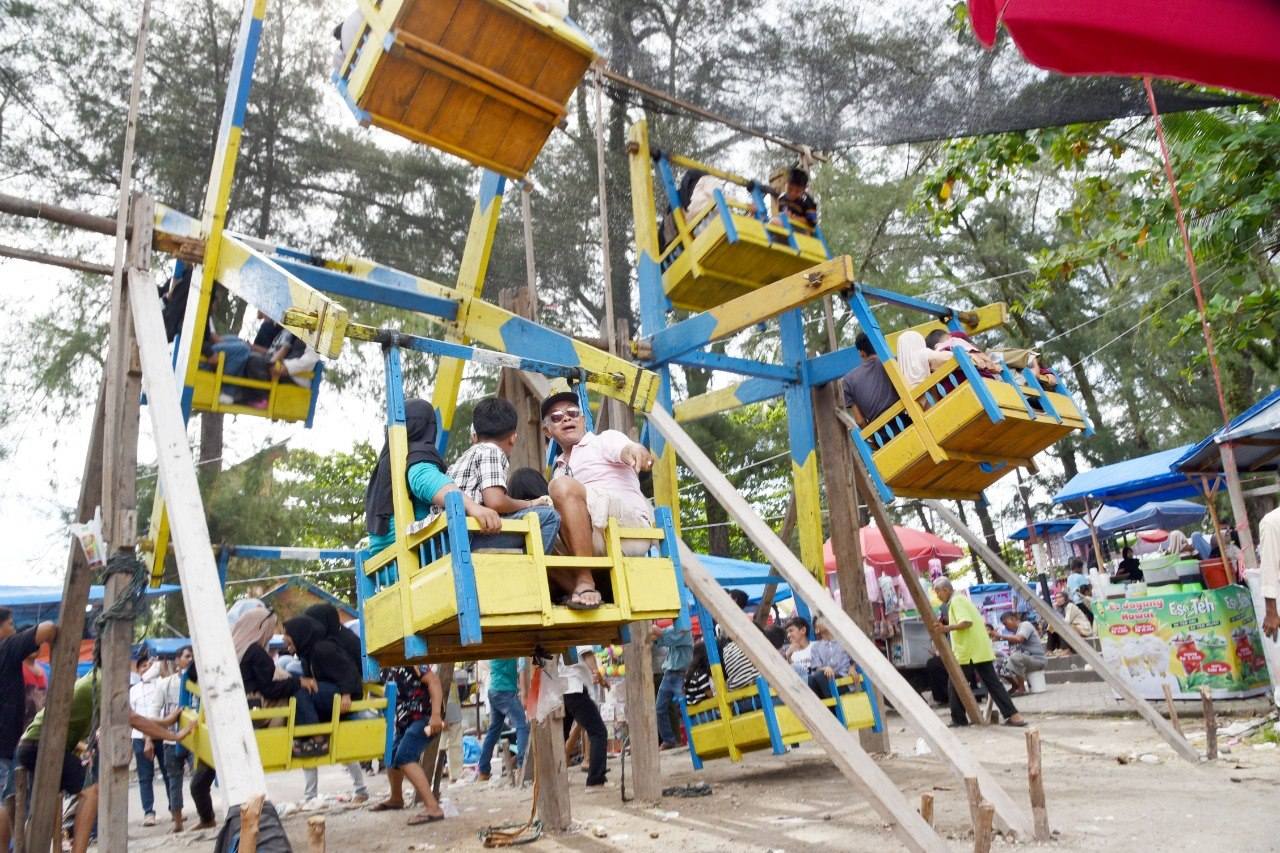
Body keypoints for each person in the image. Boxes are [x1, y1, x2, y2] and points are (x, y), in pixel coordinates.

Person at [18, 668, 190, 853]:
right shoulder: (103, 682)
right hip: (43, 746)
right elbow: (133, 718)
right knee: (91, 792)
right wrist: (174, 736)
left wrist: (166, 722)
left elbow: (131, 716)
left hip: (35, 744)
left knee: (45, 805)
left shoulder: (96, 679)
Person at [542, 390, 656, 609]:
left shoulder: (603, 440)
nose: (567, 418)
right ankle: (583, 591)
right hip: (590, 535)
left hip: (626, 528)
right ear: (548, 431)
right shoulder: (559, 469)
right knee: (537, 532)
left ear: (583, 419)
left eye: (573, 413)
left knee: (562, 487)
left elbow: (626, 449)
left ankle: (584, 581)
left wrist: (636, 450)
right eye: (557, 417)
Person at [365, 398, 502, 557]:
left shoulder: (387, 464)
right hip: (414, 554)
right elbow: (424, 479)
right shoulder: (416, 453)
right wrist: (473, 507)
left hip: (385, 560)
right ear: (428, 427)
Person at [446, 397, 561, 553]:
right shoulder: (492, 451)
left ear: (476, 433)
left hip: (450, 537)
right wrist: (531, 503)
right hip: (470, 538)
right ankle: (533, 572)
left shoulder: (461, 459)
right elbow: (495, 502)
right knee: (549, 517)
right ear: (513, 438)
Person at [932, 578, 1027, 727]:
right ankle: (1014, 716)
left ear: (946, 589)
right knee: (992, 683)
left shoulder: (957, 601)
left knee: (955, 683)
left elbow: (966, 622)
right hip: (976, 650)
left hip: (969, 652)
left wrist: (945, 629)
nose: (937, 595)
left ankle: (959, 719)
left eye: (938, 591)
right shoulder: (959, 600)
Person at [300, 605, 370, 806]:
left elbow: (350, 671)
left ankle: (360, 788)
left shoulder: (342, 641)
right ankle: (310, 797)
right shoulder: (312, 644)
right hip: (323, 698)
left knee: (342, 744)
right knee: (311, 743)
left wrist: (346, 693)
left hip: (344, 698)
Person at [0, 609, 55, 850]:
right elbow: (48, 629)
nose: (12, 628)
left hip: (16, 741)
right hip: (6, 742)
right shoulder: (7, 647)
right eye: (10, 624)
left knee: (12, 799)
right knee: (3, 801)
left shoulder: (41, 670)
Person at [370, 665, 446, 824]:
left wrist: (436, 715)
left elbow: (434, 682)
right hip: (404, 722)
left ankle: (433, 808)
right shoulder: (385, 667)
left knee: (405, 756)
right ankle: (396, 798)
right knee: (391, 754)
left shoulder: (413, 662)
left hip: (424, 718)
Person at [282, 616, 362, 726]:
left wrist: (346, 694)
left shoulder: (322, 648)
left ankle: (316, 737)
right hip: (328, 689)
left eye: (287, 634)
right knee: (291, 679)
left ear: (298, 634)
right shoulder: (306, 653)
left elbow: (348, 670)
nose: (283, 638)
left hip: (345, 693)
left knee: (301, 690)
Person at [559, 646, 608, 787]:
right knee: (598, 732)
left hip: (563, 688)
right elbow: (586, 652)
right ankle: (596, 779)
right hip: (575, 688)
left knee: (560, 736)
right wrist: (596, 672)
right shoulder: (579, 629)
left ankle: (554, 778)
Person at [129, 651, 169, 826]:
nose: (146, 668)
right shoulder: (134, 691)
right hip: (139, 736)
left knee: (168, 772)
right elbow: (133, 715)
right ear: (138, 671)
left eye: (149, 665)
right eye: (143, 666)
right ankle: (148, 812)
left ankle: (174, 807)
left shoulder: (161, 685)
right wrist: (145, 738)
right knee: (145, 776)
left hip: (160, 733)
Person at [476, 658, 528, 783]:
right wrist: (525, 693)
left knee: (494, 730)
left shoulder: (496, 647)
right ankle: (523, 766)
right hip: (505, 691)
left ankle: (483, 770)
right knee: (522, 724)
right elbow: (522, 668)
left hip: (494, 690)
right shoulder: (511, 645)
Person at [840, 332, 899, 428]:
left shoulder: (848, 381)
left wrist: (874, 440)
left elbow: (859, 421)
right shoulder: (891, 362)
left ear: (861, 353)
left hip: (882, 435)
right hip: (907, 421)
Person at [651, 622, 693, 749]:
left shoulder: (685, 630)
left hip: (681, 674)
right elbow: (661, 638)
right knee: (660, 708)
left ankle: (691, 737)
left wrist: (655, 632)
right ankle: (669, 740)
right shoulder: (674, 628)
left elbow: (665, 637)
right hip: (668, 674)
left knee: (687, 707)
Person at [994, 611, 1047, 695]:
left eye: (1006, 623)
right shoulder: (1016, 631)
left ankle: (1021, 689)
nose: (1005, 627)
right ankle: (1015, 686)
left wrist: (1000, 636)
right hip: (1027, 659)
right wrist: (998, 639)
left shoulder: (1025, 625)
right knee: (999, 662)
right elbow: (1012, 642)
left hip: (1037, 660)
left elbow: (1019, 639)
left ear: (1013, 619)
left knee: (1016, 657)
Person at [807, 616, 854, 701]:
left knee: (820, 675)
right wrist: (825, 668)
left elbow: (854, 657)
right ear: (816, 628)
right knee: (810, 679)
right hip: (825, 681)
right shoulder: (816, 647)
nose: (823, 621)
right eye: (820, 620)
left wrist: (852, 667)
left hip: (843, 680)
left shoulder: (844, 641)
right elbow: (816, 667)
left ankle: (833, 708)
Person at [925, 329, 999, 376]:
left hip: (959, 383)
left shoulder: (935, 357)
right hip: (982, 375)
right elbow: (975, 350)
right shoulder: (954, 341)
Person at [784, 616, 813, 681]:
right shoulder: (788, 653)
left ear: (803, 630)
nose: (788, 635)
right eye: (787, 633)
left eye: (791, 631)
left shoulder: (816, 646)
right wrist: (788, 657)